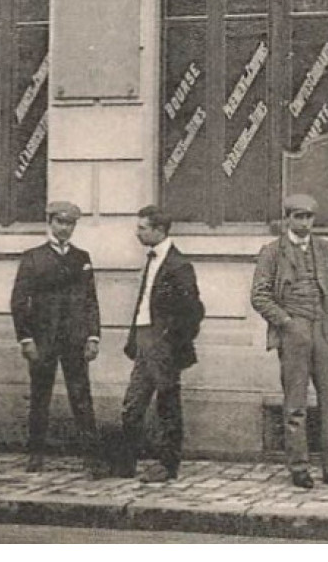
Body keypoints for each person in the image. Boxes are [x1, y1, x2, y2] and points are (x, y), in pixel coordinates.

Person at [250, 193, 328, 490]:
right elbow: (259, 296)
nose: (305, 222)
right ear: (287, 218)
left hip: (325, 329)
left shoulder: (325, 249)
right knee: (295, 404)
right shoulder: (272, 252)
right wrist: (287, 323)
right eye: (299, 216)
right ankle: (299, 467)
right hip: (293, 331)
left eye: (309, 217)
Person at [11, 201, 102, 473]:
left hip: (74, 339)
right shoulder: (33, 258)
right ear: (49, 222)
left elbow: (90, 301)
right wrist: (25, 338)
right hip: (43, 340)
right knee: (40, 396)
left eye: (70, 223)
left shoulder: (81, 258)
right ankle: (36, 454)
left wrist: (93, 336)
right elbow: (19, 301)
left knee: (81, 395)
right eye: (60, 222)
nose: (65, 228)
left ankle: (91, 456)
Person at [120, 205, 205, 483]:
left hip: (163, 343)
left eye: (142, 228)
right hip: (145, 339)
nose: (137, 232)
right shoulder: (154, 259)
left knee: (167, 403)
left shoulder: (179, 265)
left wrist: (171, 342)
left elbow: (194, 311)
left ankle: (167, 465)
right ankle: (125, 463)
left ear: (159, 230)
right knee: (133, 403)